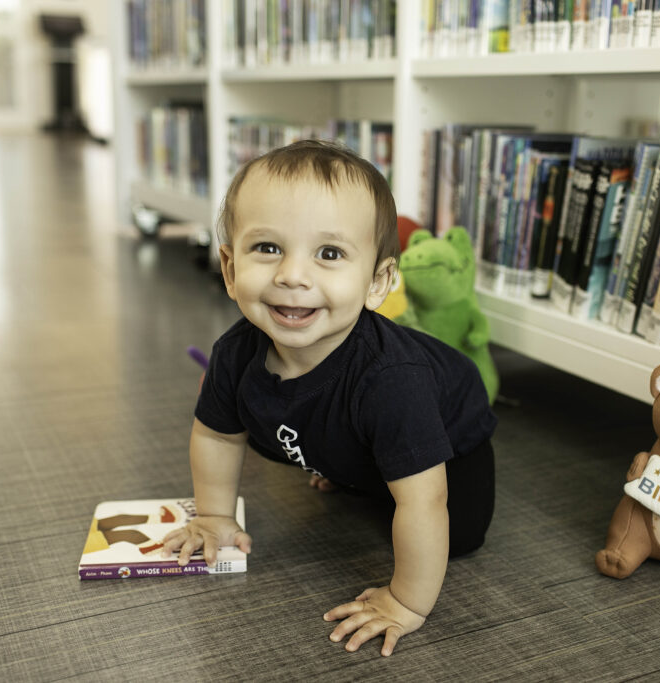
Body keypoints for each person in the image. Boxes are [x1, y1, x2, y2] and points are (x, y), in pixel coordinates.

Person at [161, 140, 497, 657]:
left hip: (451, 434)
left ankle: (368, 468)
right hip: (358, 430)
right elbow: (215, 435)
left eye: (330, 254)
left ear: (377, 282)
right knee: (312, 438)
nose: (293, 275)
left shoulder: (393, 380)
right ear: (229, 269)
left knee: (457, 532)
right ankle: (356, 465)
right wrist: (214, 516)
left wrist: (405, 602)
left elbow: (424, 502)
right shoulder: (234, 354)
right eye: (268, 248)